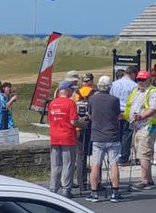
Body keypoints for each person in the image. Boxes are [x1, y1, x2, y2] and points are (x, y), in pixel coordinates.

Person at [86, 75, 122, 203]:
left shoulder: (92, 99)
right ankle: (115, 192)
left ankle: (94, 193)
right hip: (112, 135)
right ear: (109, 87)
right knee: (113, 164)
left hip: (97, 135)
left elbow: (89, 115)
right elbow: (118, 115)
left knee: (95, 165)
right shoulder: (114, 100)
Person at [128, 70, 156, 189]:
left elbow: (154, 108)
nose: (140, 82)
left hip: (148, 126)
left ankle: (144, 181)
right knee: (141, 152)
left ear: (149, 80)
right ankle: (148, 179)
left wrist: (141, 116)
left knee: (144, 152)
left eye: (143, 80)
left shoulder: (154, 92)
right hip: (137, 126)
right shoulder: (136, 91)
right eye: (139, 80)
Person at [47, 79, 82, 196]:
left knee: (56, 164)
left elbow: (49, 119)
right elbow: (73, 121)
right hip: (67, 136)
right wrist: (83, 124)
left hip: (54, 136)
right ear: (67, 90)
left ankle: (53, 188)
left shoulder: (52, 103)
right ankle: (66, 189)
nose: (73, 92)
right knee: (68, 164)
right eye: (72, 89)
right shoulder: (70, 103)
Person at [110, 64, 139, 164]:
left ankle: (114, 156)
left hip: (116, 111)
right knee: (126, 134)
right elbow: (135, 100)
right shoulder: (134, 86)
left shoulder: (114, 84)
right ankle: (123, 157)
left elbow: (111, 97)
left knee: (116, 134)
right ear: (133, 74)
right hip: (127, 112)